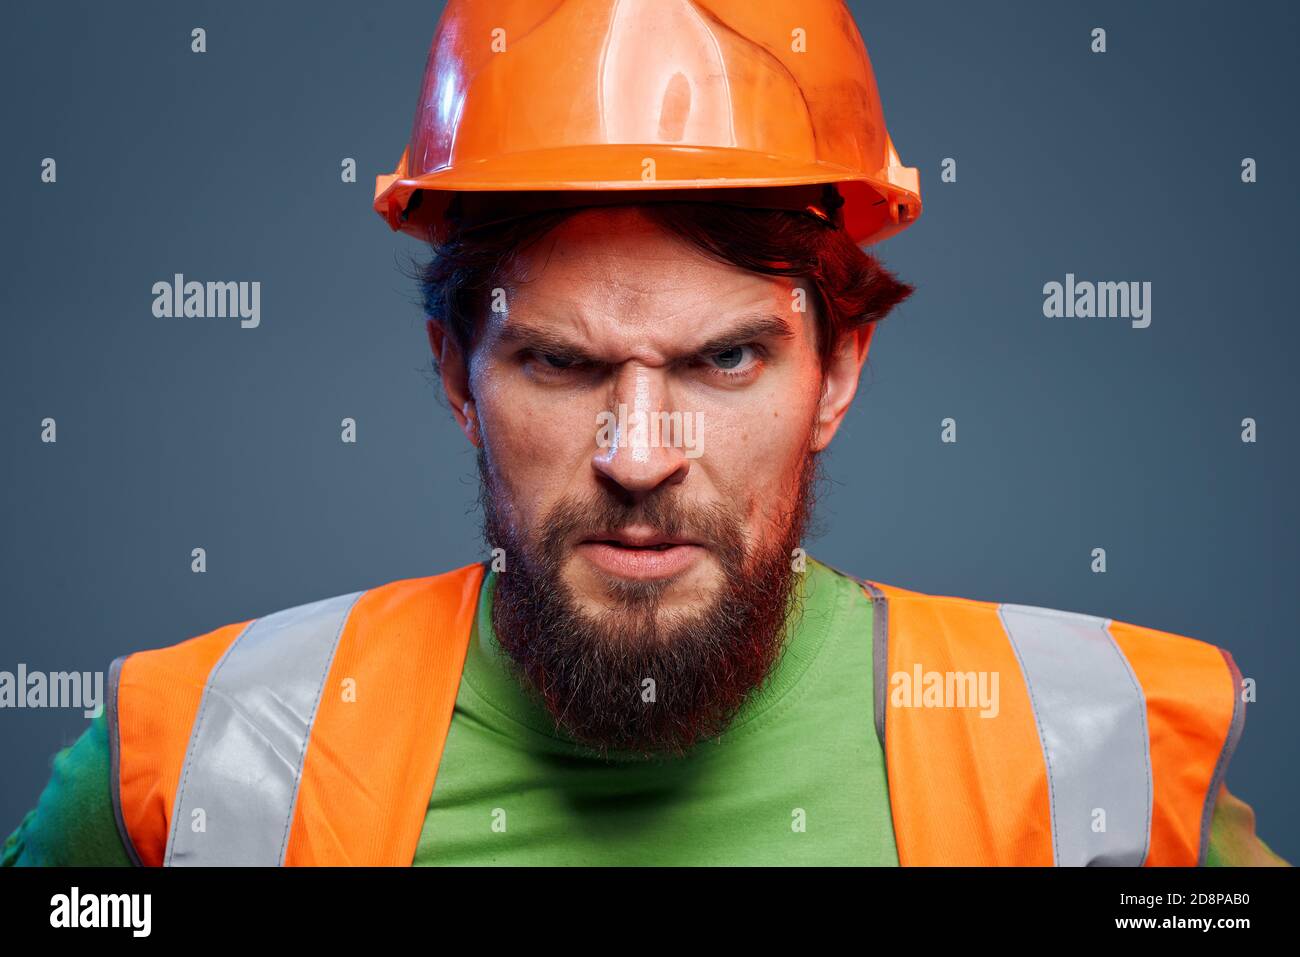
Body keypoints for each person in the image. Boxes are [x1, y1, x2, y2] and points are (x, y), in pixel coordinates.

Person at [4, 0, 1289, 867]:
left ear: (838, 369)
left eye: (724, 359)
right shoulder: (187, 762)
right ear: (456, 371)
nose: (637, 453)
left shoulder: (1108, 760)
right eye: (560, 364)